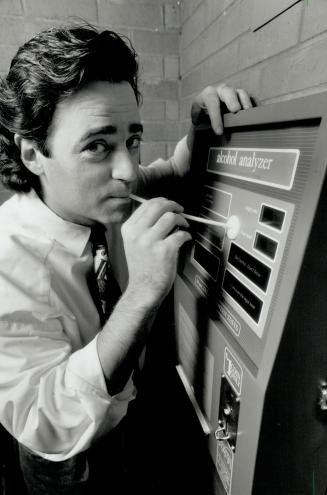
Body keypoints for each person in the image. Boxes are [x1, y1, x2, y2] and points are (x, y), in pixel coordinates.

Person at [0, 23, 252, 494]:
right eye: (97, 146)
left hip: (136, 429)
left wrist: (201, 127)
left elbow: (173, 172)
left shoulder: (110, 193)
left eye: (132, 139)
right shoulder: (6, 261)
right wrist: (140, 294)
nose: (127, 170)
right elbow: (46, 421)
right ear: (34, 152)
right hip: (71, 469)